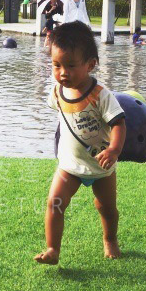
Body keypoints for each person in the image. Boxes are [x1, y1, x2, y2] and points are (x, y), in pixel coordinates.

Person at [36, 21, 126, 265]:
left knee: (106, 208)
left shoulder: (100, 95)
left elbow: (119, 123)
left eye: (71, 66)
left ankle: (110, 239)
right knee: (54, 204)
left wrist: (114, 150)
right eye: (56, 65)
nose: (63, 72)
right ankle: (53, 248)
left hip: (101, 166)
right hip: (70, 165)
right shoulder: (56, 92)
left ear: (90, 65)